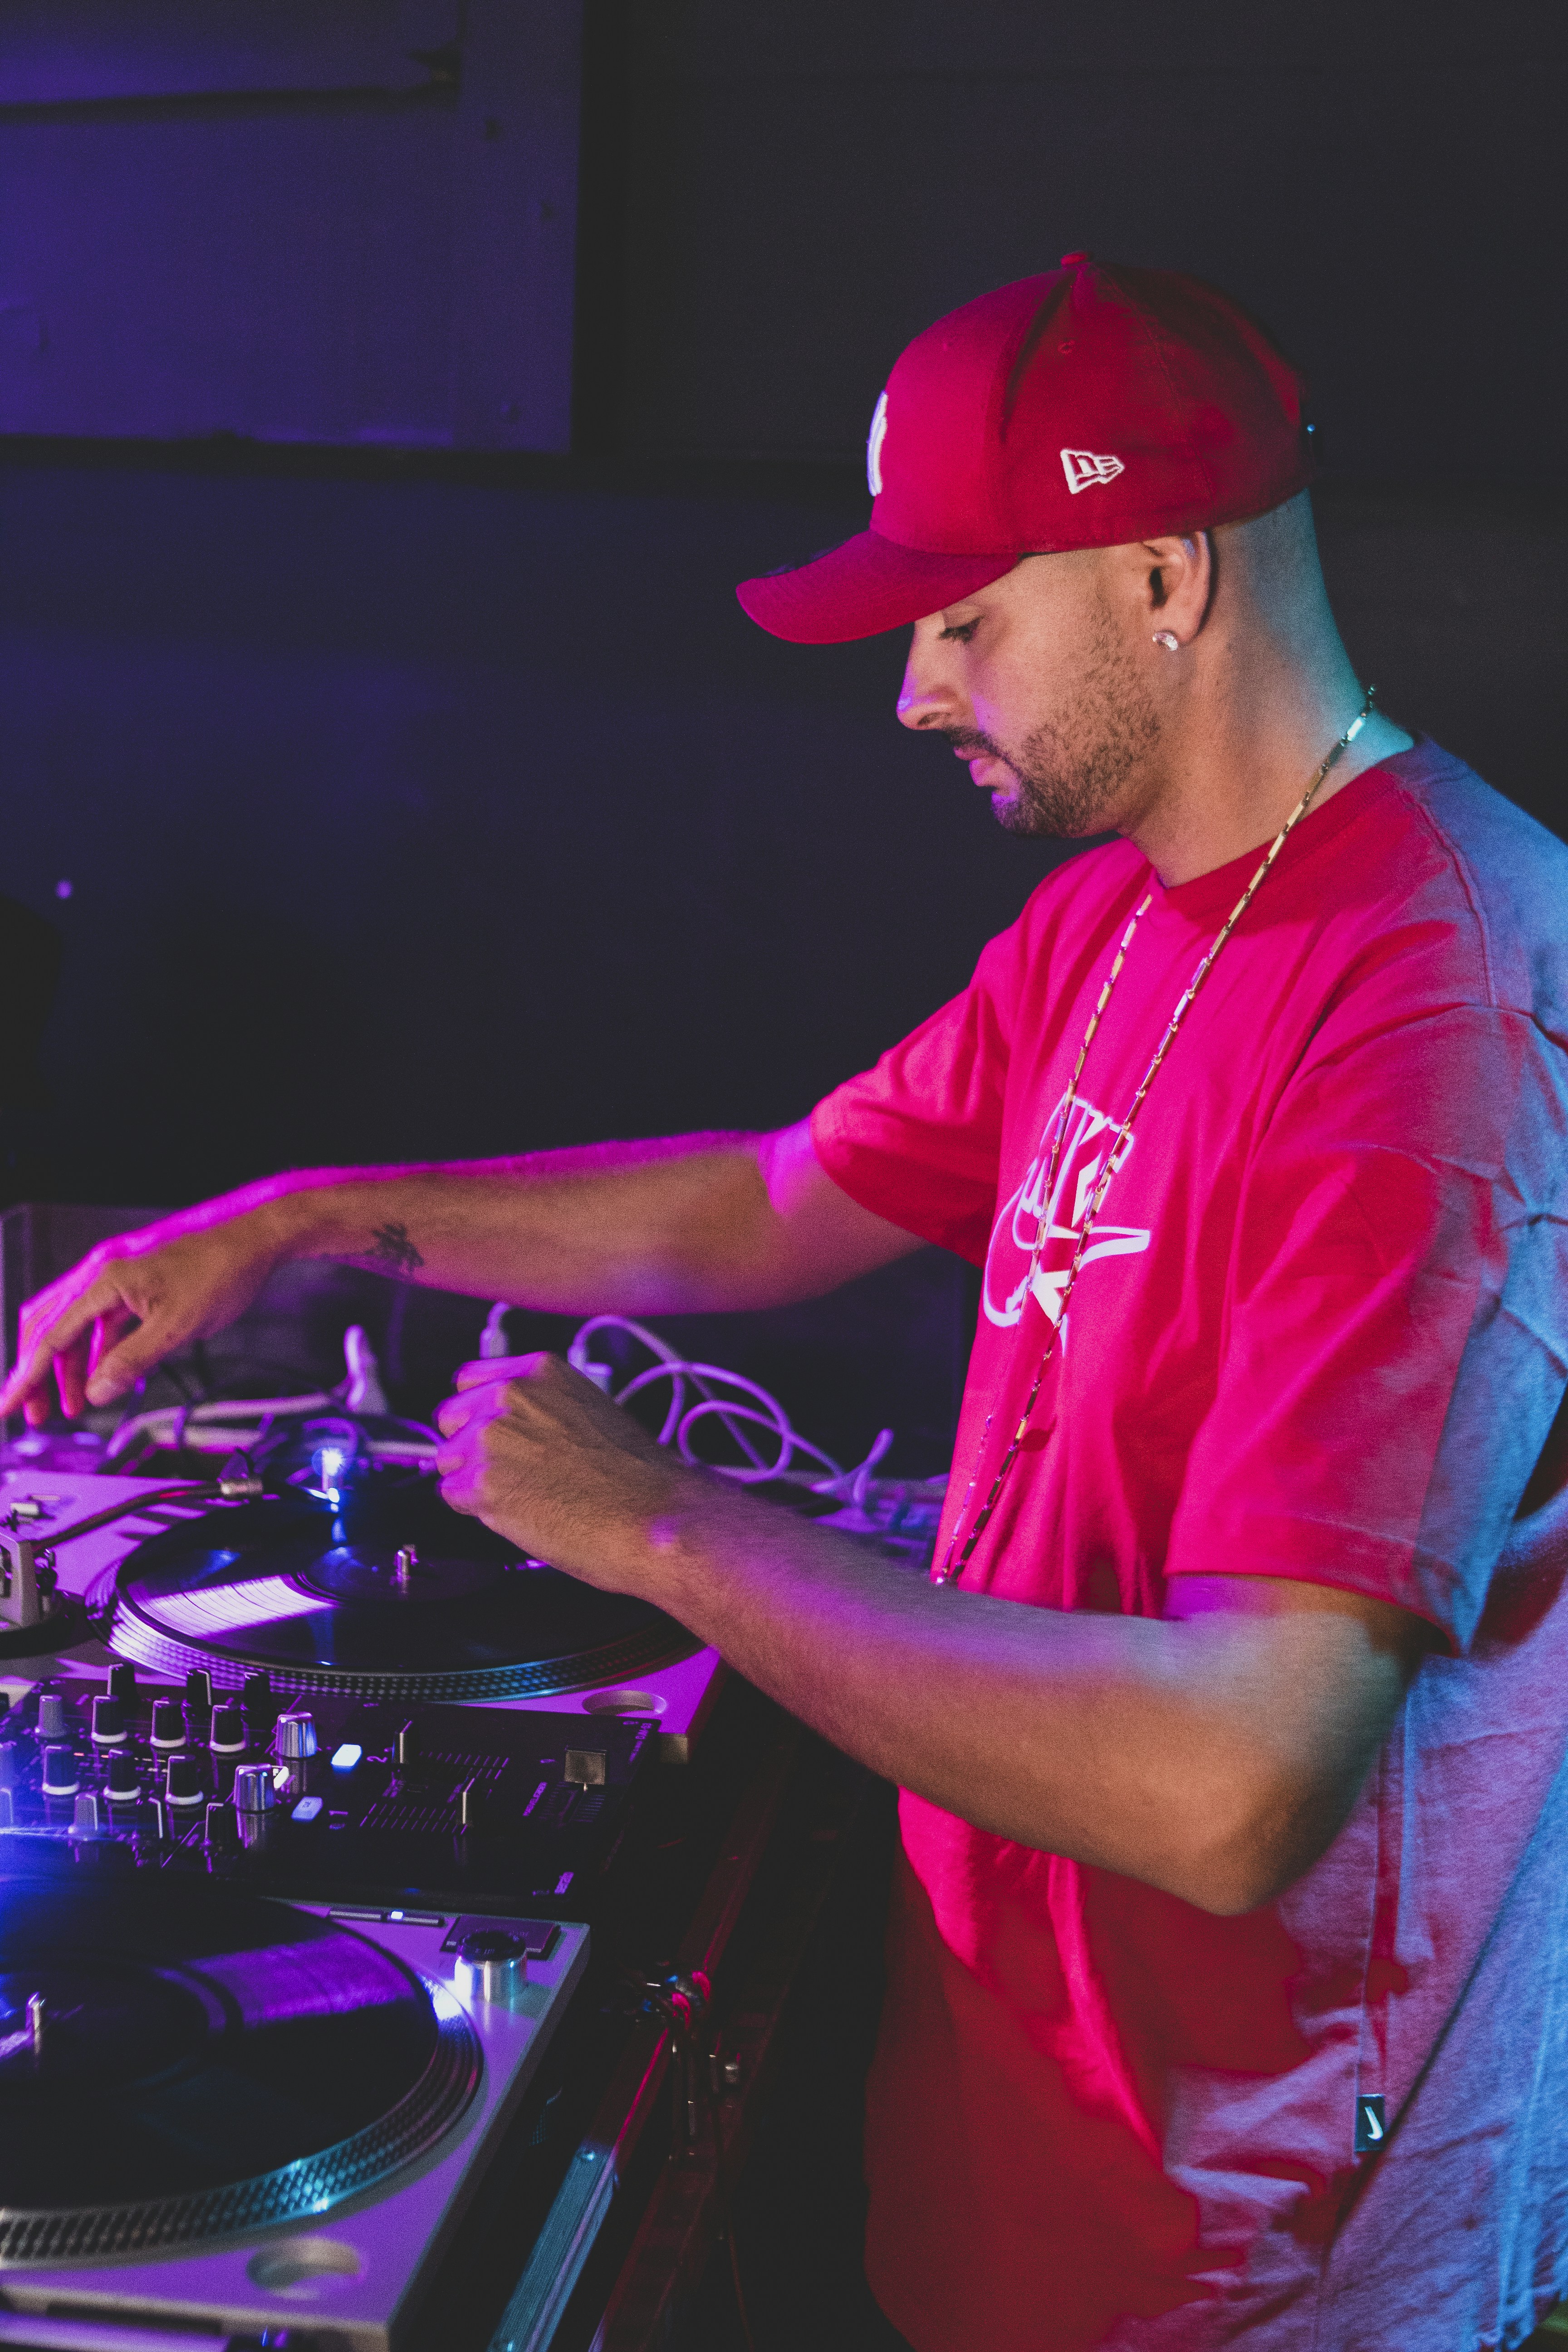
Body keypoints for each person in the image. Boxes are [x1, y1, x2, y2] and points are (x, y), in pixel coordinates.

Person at [3, 256, 1566, 2351]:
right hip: (1021, 2151)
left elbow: (1234, 1783)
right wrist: (299, 1218)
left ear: (1165, 577)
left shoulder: (1435, 1007)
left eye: (963, 621)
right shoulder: (1117, 922)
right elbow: (761, 1209)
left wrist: (661, 1525)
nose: (918, 692)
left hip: (1256, 2247)